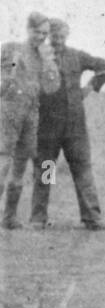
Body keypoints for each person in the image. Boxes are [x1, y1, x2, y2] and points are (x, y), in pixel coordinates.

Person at [29, 19, 105, 230]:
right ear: (49, 36)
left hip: (75, 128)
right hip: (48, 129)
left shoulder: (77, 56)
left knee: (82, 170)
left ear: (66, 36)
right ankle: (38, 219)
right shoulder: (38, 58)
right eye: (54, 36)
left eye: (61, 37)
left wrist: (91, 87)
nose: (58, 41)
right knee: (46, 171)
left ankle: (92, 219)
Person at [1, 12, 50, 229]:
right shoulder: (11, 48)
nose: (41, 37)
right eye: (38, 32)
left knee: (20, 165)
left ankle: (9, 217)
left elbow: (49, 86)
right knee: (2, 162)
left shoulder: (43, 57)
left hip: (30, 117)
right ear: (28, 30)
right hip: (9, 115)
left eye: (45, 33)